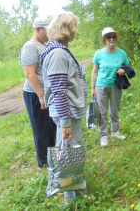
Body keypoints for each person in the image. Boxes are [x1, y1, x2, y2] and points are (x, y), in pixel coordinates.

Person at [41, 12, 87, 201]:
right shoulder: (58, 53)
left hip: (69, 111)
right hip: (66, 113)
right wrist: (65, 122)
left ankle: (73, 190)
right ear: (69, 29)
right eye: (74, 26)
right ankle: (70, 196)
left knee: (70, 149)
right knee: (68, 151)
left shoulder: (60, 50)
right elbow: (59, 90)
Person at [19, 17, 56, 168]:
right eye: (46, 30)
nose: (49, 33)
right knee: (41, 127)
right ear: (38, 29)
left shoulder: (44, 45)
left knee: (51, 125)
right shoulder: (30, 47)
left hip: (47, 92)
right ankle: (44, 162)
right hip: (35, 93)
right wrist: (41, 95)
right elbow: (29, 73)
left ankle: (52, 155)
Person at [91, 27, 129, 147]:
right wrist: (92, 88)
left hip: (116, 85)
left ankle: (115, 132)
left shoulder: (122, 53)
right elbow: (94, 72)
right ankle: (103, 135)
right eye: (108, 37)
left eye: (113, 36)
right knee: (102, 111)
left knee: (114, 109)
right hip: (101, 85)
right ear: (104, 39)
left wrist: (124, 71)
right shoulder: (99, 53)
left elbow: (126, 67)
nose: (111, 39)